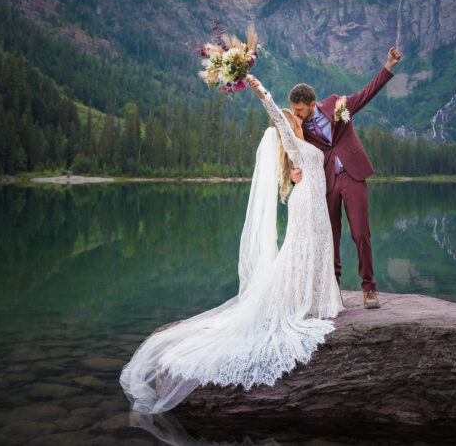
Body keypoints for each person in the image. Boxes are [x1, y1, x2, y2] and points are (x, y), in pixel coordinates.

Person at [119, 75, 342, 416]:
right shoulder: (292, 142)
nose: (296, 118)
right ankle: (298, 302)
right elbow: (275, 113)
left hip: (316, 204)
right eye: (291, 116)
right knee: (300, 250)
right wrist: (258, 88)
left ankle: (314, 298)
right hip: (304, 203)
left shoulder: (308, 138)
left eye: (297, 115)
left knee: (317, 248)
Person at [289, 47, 401, 309]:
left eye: (299, 110)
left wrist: (388, 67)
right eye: (294, 110)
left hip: (352, 175)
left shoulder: (338, 106)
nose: (296, 114)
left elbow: (365, 94)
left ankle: (369, 289)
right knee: (331, 236)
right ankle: (334, 288)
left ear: (312, 104)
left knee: (361, 233)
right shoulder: (299, 128)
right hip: (325, 183)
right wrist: (294, 173)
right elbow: (295, 153)